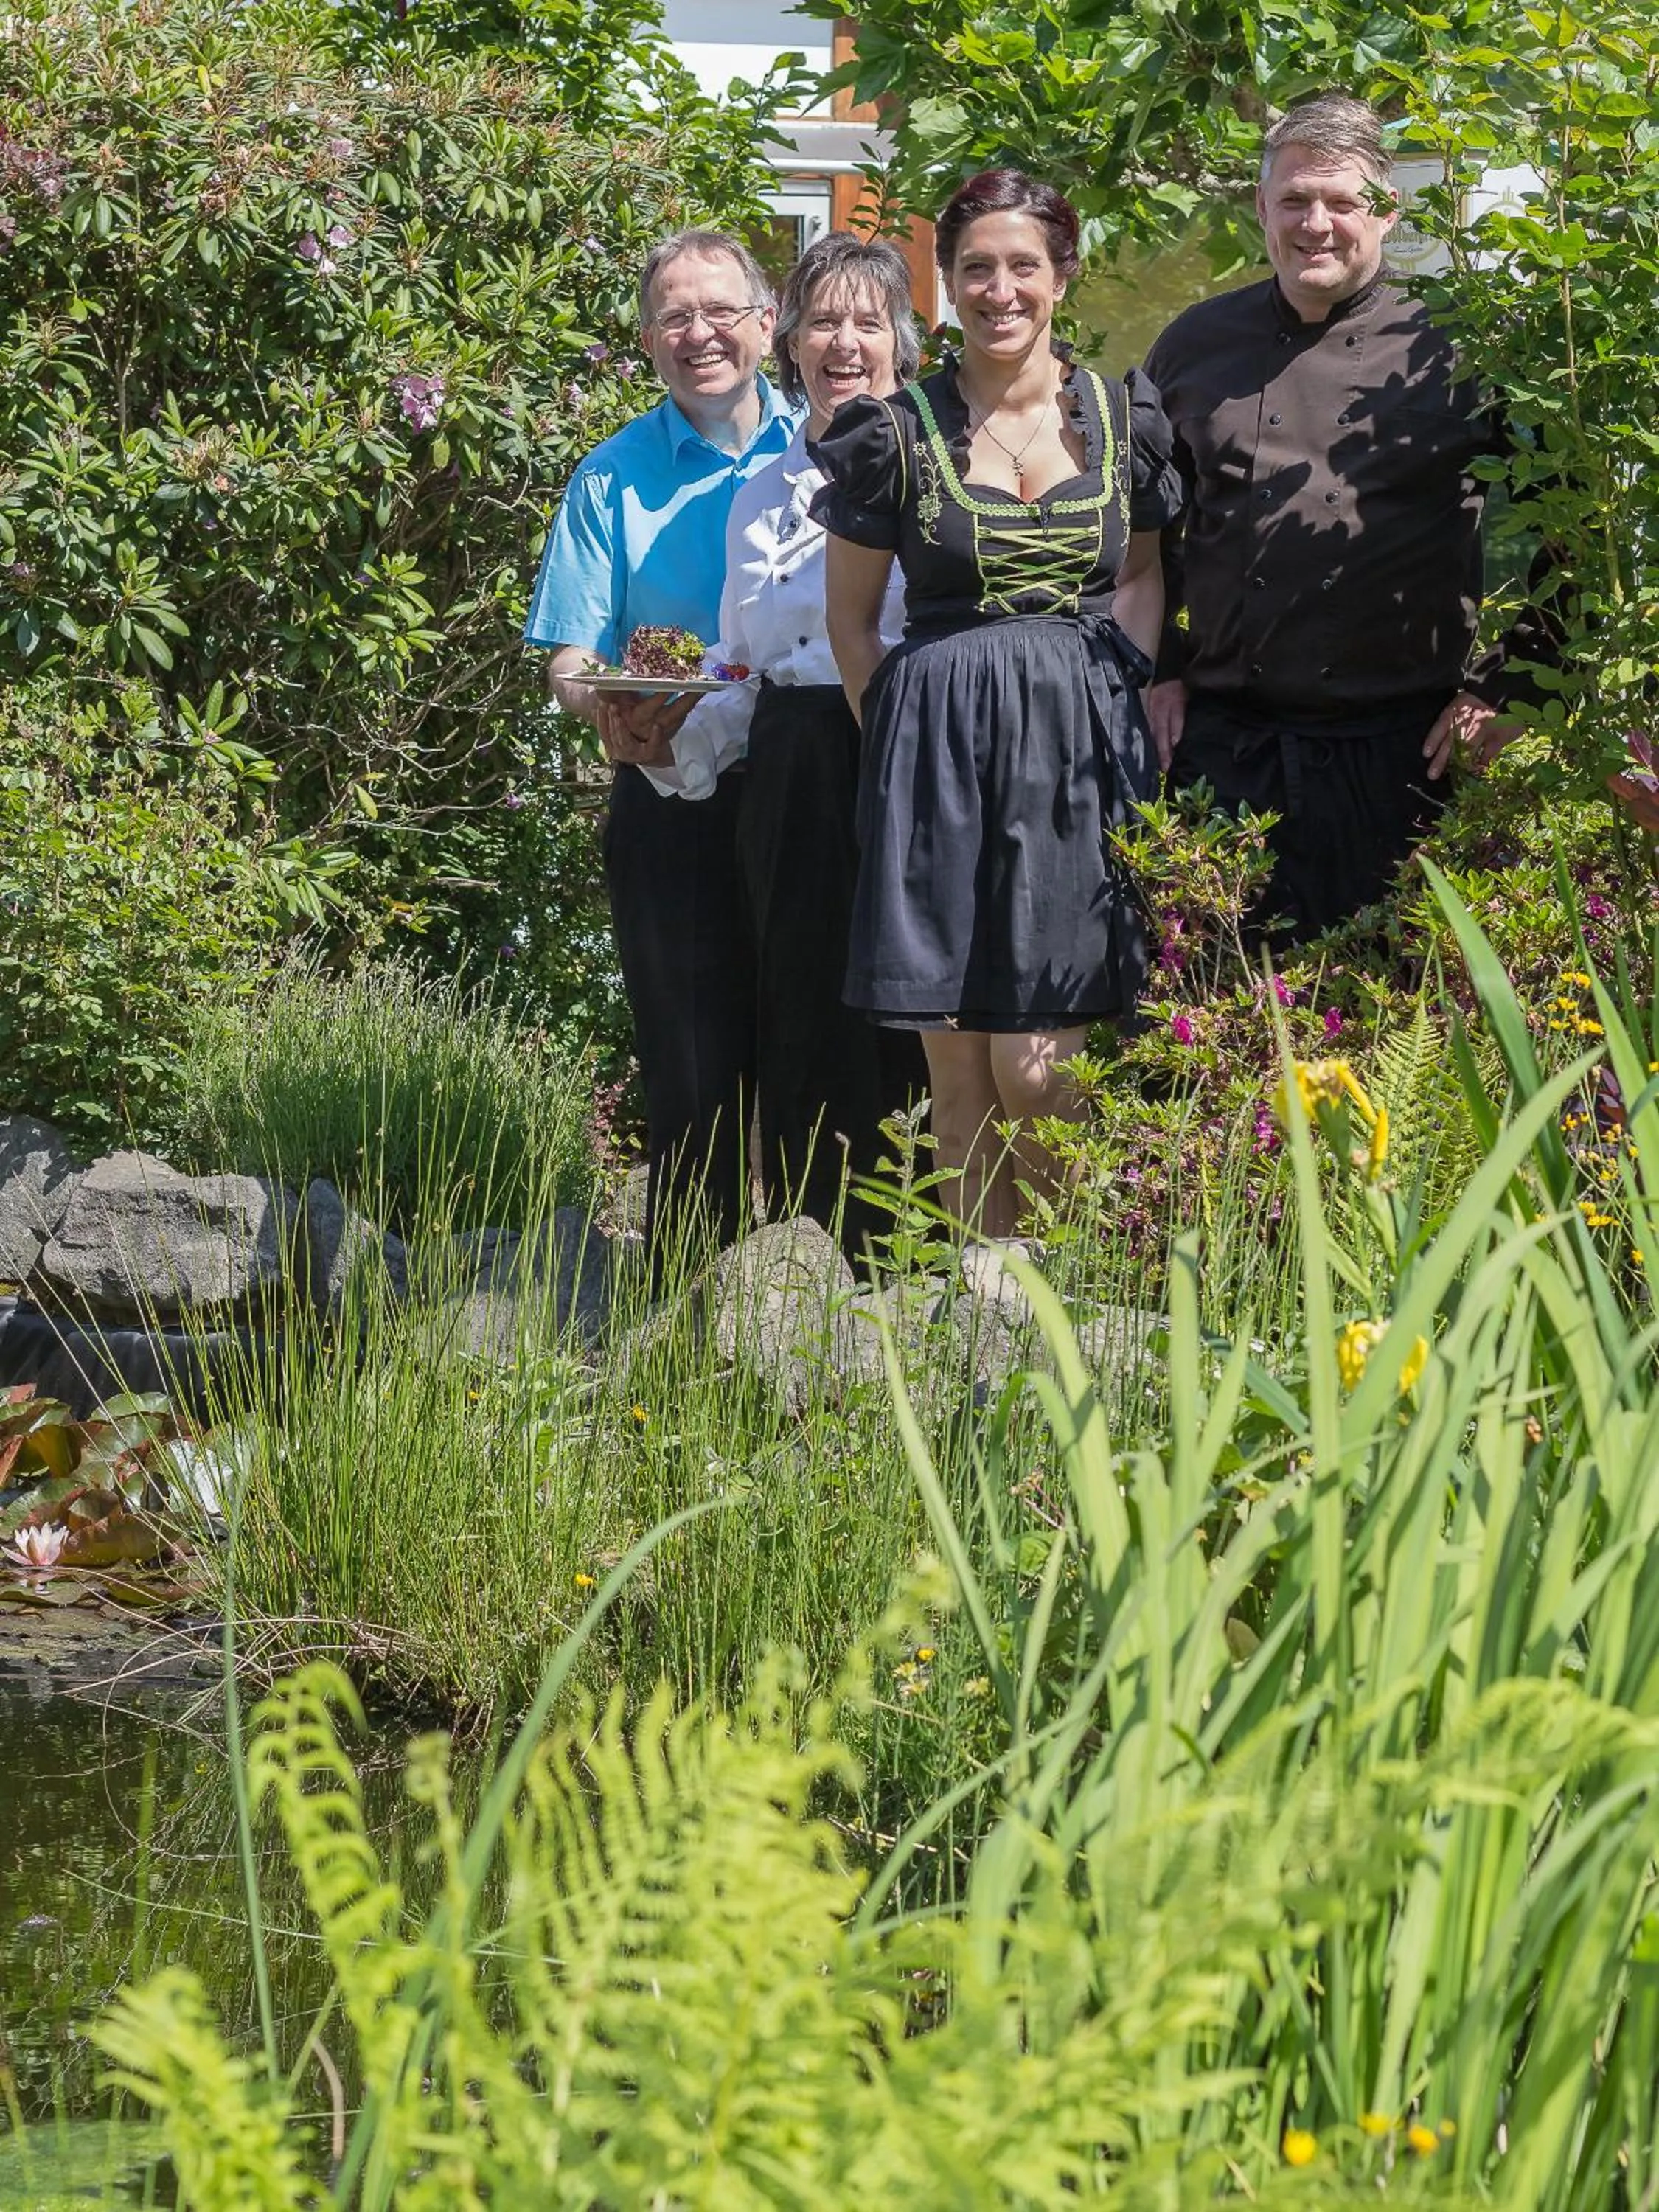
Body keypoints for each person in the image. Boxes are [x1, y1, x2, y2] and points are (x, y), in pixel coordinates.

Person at [814, 170, 1182, 1240]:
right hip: (933, 752)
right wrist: (898, 740)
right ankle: (988, 1329)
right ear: (946, 281)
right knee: (960, 1069)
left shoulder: (1122, 419)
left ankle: (1073, 1302)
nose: (998, 289)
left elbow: (1145, 572)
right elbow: (852, 621)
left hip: (1078, 756)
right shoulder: (894, 431)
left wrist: (1121, 687)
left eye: (1023, 265)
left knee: (1038, 1072)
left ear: (1061, 274)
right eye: (975, 267)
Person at [1143, 92, 1550, 939]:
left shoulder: (1464, 345)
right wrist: (1160, 670)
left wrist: (1509, 687)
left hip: (1403, 757)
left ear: (1386, 209)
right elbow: (1146, 538)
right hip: (1226, 753)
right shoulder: (1192, 347)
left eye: (1341, 201)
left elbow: (1576, 532)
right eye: (1294, 200)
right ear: (1262, 207)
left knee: (1400, 1021)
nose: (1315, 223)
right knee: (1213, 1025)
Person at [522, 229, 795, 1259]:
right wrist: (608, 713)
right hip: (668, 792)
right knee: (688, 1061)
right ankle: (688, 1309)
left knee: (813, 1048)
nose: (700, 334)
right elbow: (570, 654)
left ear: (765, 325)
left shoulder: (826, 448)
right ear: (647, 342)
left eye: (721, 310)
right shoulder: (612, 477)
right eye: (675, 316)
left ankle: (827, 1306)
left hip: (804, 787)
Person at [667, 231, 925, 1258]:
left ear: (904, 342)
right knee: (802, 1008)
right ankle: (811, 1259)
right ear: (790, 343)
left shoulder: (937, 468)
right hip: (787, 766)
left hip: (900, 747)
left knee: (907, 1011)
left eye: (868, 322)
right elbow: (742, 663)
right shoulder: (758, 494)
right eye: (824, 320)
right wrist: (666, 738)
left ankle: (921, 1261)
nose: (844, 343)